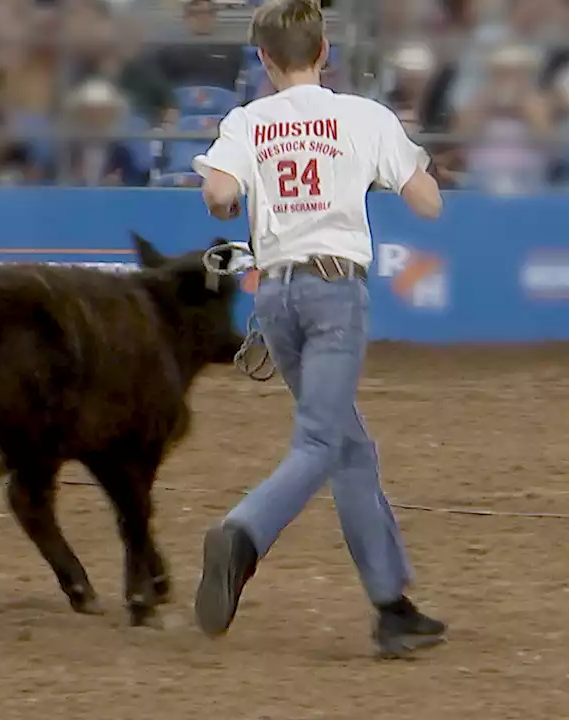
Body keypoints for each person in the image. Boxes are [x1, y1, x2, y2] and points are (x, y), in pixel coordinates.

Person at [190, 0, 447, 659]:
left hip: (275, 295)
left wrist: (246, 193)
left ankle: (392, 607)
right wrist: (396, 165)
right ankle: (242, 534)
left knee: (347, 449)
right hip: (334, 289)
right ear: (324, 50)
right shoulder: (363, 117)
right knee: (319, 443)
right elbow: (427, 202)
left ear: (264, 59)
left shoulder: (248, 120)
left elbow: (218, 194)